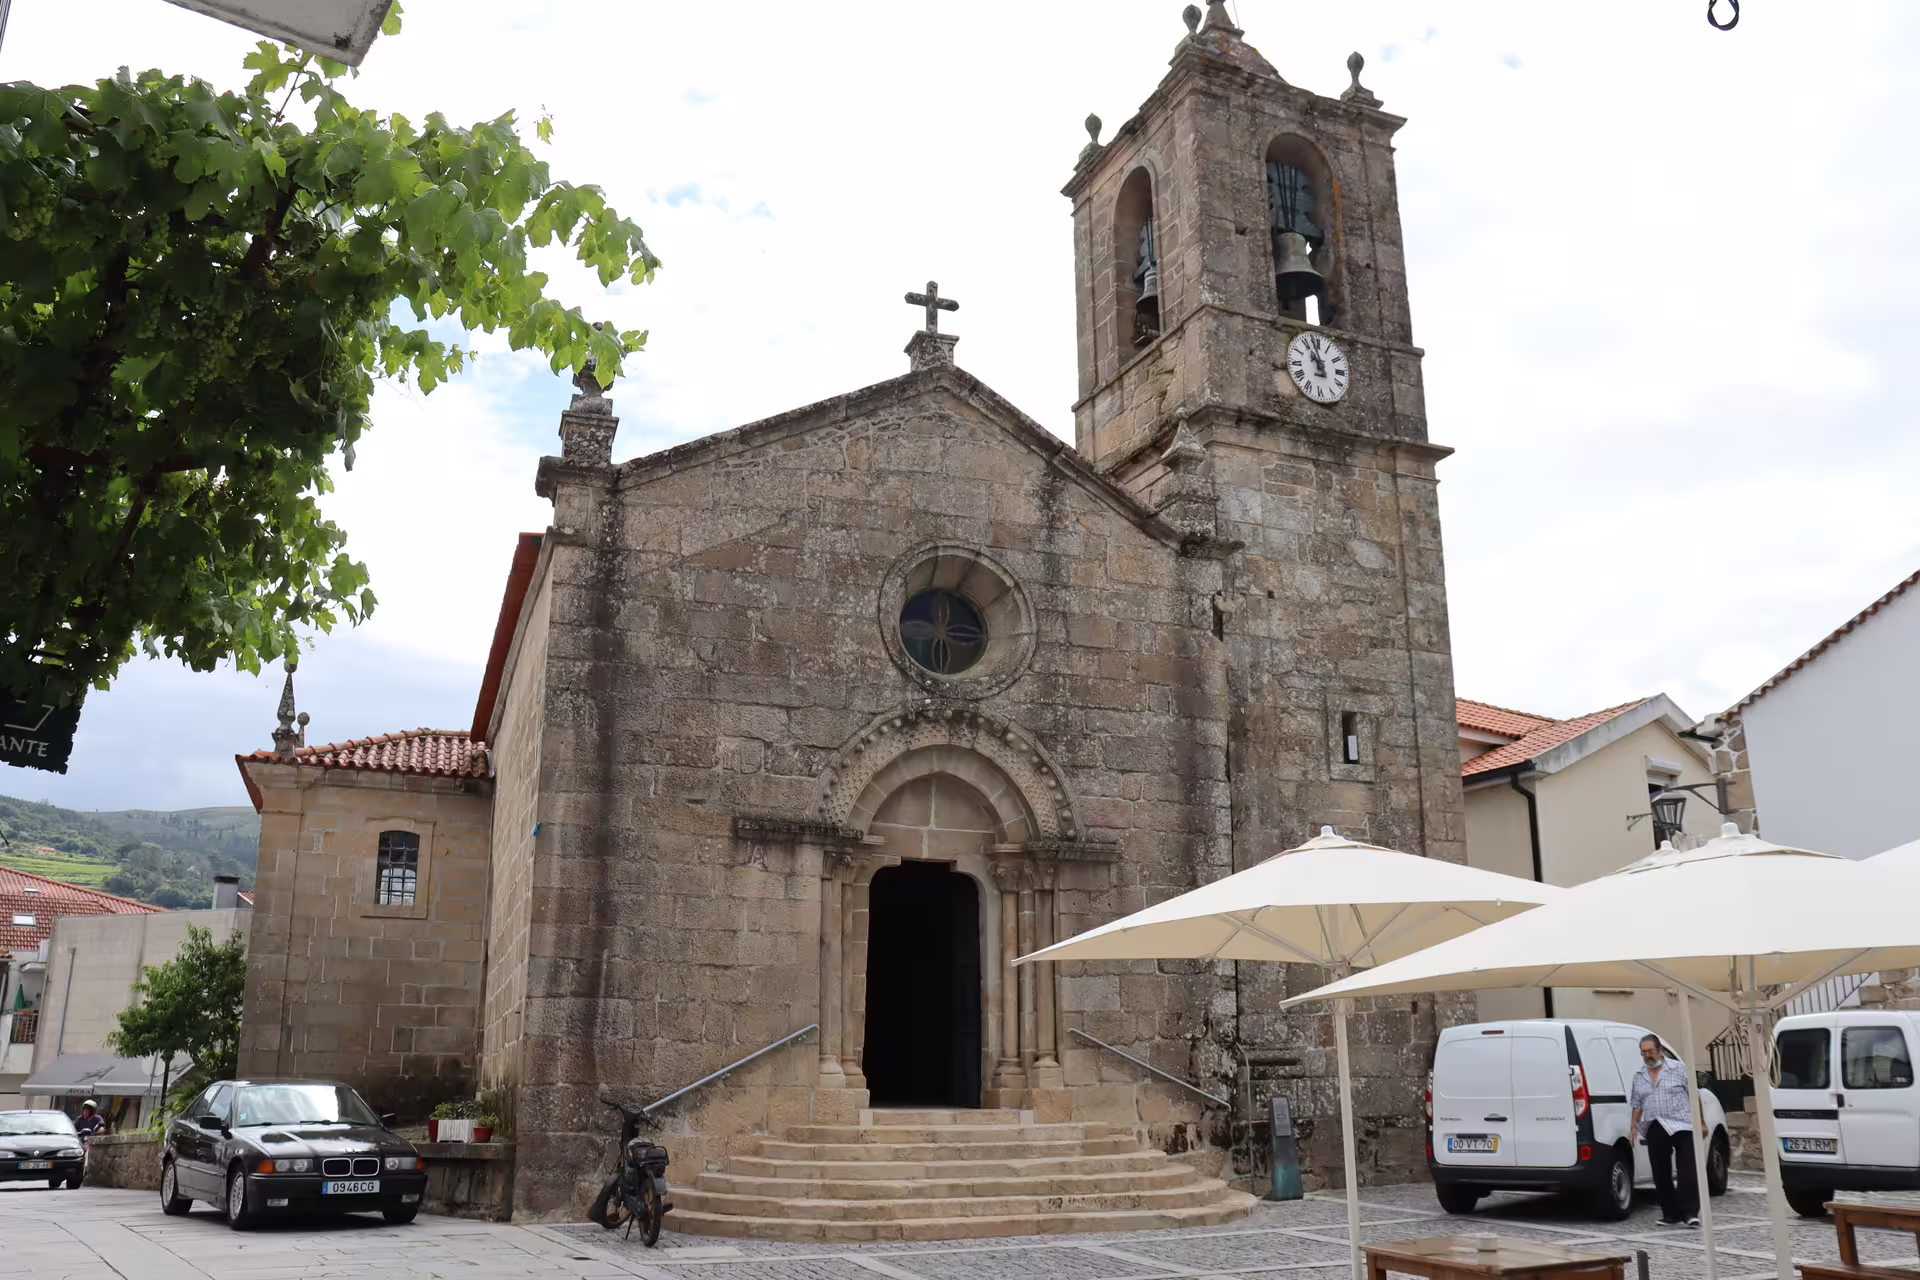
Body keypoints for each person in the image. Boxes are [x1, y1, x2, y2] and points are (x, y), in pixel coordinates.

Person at [1630, 1033, 1700, 1226]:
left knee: (1687, 1170)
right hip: (1655, 1124)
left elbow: (1694, 1095)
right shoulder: (1640, 1077)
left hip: (1682, 1124)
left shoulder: (1679, 1069)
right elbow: (1637, 1104)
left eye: (1650, 1051)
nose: (1647, 1056)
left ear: (1659, 1051)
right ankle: (1670, 1214)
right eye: (1643, 1053)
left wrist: (1700, 1121)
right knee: (1660, 1172)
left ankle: (1690, 1212)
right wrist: (1633, 1126)